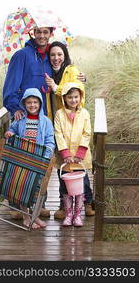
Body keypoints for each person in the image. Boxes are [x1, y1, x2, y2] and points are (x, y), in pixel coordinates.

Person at [3, 26, 54, 218]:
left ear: (50, 34)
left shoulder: (49, 57)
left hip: (42, 118)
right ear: (32, 33)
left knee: (39, 161)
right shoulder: (22, 55)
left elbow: (63, 74)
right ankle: (16, 205)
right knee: (19, 163)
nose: (41, 36)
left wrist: (81, 77)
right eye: (38, 32)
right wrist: (15, 108)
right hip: (22, 117)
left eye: (45, 32)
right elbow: (10, 86)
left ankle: (39, 203)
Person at [45, 41, 95, 219]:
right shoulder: (48, 70)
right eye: (52, 55)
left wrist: (55, 88)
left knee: (80, 170)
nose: (56, 58)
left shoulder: (72, 71)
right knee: (63, 168)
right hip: (58, 121)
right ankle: (63, 205)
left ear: (65, 55)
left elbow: (77, 91)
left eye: (59, 54)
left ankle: (87, 202)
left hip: (74, 120)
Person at [4, 88, 55, 229]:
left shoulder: (46, 122)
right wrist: (9, 132)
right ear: (24, 104)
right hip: (22, 159)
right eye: (29, 103)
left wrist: (47, 154)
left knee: (38, 190)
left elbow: (50, 140)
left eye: (35, 102)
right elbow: (12, 129)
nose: (32, 105)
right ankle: (26, 217)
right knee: (23, 189)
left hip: (38, 160)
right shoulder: (20, 120)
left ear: (40, 103)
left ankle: (35, 216)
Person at [54, 82, 93, 226]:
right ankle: (68, 213)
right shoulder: (59, 114)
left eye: (76, 97)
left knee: (80, 185)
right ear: (64, 98)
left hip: (79, 158)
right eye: (70, 97)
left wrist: (80, 153)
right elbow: (58, 134)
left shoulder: (84, 114)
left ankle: (78, 215)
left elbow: (87, 133)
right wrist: (65, 153)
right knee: (65, 186)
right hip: (65, 158)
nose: (73, 100)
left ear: (80, 97)